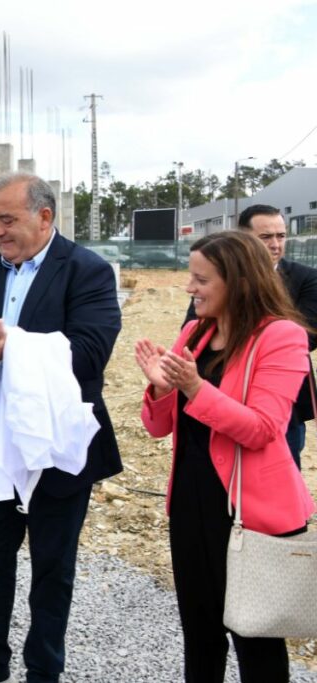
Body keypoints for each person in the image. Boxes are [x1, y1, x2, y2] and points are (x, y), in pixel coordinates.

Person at [0, 173, 122, 683]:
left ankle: (44, 671)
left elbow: (90, 351)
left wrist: (11, 352)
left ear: (44, 217)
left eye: (8, 219)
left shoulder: (87, 271)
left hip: (58, 448)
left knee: (52, 570)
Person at [137, 230, 314, 682]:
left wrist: (195, 387)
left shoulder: (282, 337)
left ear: (237, 281)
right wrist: (160, 385)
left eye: (200, 279)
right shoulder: (195, 333)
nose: (189, 288)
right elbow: (158, 427)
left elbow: (262, 428)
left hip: (248, 510)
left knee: (255, 637)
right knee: (199, 632)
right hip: (192, 503)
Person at [184, 204, 317, 467]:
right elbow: (194, 328)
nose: (276, 244)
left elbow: (307, 334)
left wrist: (234, 340)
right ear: (244, 238)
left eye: (281, 235)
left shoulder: (307, 278)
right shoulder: (216, 278)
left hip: (282, 392)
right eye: (266, 237)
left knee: (279, 465)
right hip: (221, 390)